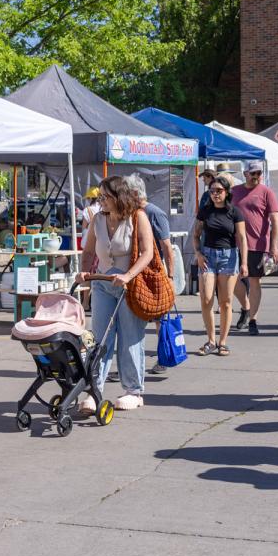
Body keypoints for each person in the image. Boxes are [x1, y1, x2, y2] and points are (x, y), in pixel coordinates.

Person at [76, 176, 156, 411]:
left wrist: (128, 275)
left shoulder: (137, 217)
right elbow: (89, 251)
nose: (101, 201)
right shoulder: (98, 220)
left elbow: (148, 252)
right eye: (99, 197)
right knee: (99, 339)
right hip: (102, 283)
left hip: (128, 285)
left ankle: (133, 390)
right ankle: (94, 390)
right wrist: (84, 273)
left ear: (119, 197)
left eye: (105, 197)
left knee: (130, 337)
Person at [123, 174, 175, 376]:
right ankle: (133, 365)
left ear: (135, 193)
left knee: (158, 319)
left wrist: (170, 277)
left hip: (152, 275)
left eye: (126, 192)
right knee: (138, 321)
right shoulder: (132, 212)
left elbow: (167, 247)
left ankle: (164, 358)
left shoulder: (154, 213)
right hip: (136, 275)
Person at [191, 174, 248, 357]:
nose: (215, 194)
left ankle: (223, 342)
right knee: (207, 299)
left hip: (229, 256)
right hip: (208, 256)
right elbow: (195, 234)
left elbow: (242, 238)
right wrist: (198, 253)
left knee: (225, 301)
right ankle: (210, 340)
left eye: (219, 191)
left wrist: (244, 262)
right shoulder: (205, 211)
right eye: (212, 191)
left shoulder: (235, 212)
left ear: (226, 192)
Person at [231, 159, 278, 336]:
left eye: (259, 173)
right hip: (233, 243)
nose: (256, 176)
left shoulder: (267, 192)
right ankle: (246, 307)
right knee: (232, 279)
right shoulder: (235, 191)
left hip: (257, 244)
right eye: (253, 173)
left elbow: (275, 221)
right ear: (245, 174)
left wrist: (274, 247)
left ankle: (253, 319)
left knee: (254, 281)